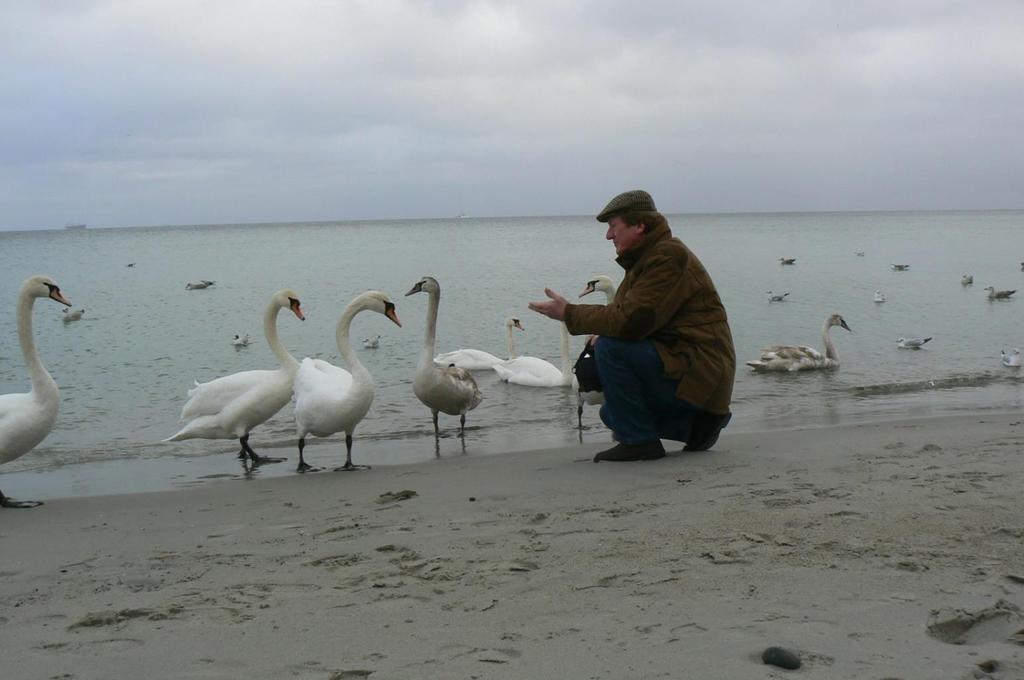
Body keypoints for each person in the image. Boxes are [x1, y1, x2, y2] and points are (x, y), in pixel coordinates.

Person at [529, 189, 735, 462]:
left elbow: (632, 322)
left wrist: (570, 313)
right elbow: (635, 316)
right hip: (692, 367)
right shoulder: (647, 260)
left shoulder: (667, 258)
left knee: (612, 349)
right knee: (610, 413)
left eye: (614, 226)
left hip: (701, 370)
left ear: (640, 225)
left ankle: (641, 442)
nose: (608, 235)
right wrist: (600, 329)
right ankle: (696, 425)